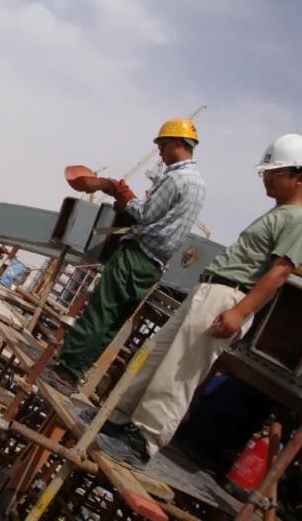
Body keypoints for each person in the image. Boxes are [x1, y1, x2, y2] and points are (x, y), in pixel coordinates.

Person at [96, 134, 302, 467]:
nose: (265, 177)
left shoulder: (297, 220)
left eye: (273, 172)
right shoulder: (279, 214)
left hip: (228, 296)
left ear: (298, 176)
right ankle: (119, 420)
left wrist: (239, 311)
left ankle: (143, 442)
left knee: (179, 372)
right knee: (157, 356)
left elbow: (278, 274)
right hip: (211, 289)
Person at [44, 118, 206, 395]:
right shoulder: (199, 183)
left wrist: (122, 192)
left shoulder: (176, 177)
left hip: (136, 255)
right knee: (112, 323)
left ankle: (63, 371)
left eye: (163, 146)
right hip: (154, 265)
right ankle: (73, 375)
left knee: (99, 312)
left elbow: (144, 214)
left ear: (177, 143)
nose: (161, 153)